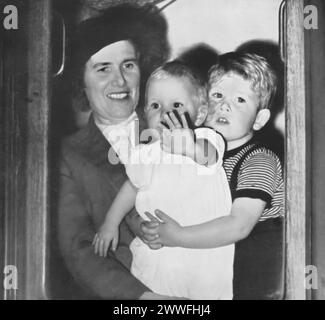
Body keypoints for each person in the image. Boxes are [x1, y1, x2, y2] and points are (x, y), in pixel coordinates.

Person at [136, 52, 285, 299]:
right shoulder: (194, 149)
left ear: (259, 119)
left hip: (253, 265)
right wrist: (151, 227)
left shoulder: (260, 160)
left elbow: (239, 225)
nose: (225, 105)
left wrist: (178, 236)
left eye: (240, 100)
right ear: (203, 104)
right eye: (217, 95)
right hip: (207, 262)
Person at [57, 3, 172, 299]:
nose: (119, 80)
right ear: (81, 82)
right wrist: (143, 298)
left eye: (128, 65)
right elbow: (79, 250)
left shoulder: (172, 125)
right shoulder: (69, 156)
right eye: (102, 68)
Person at [93, 61, 234, 300]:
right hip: (157, 258)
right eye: (155, 105)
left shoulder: (205, 139)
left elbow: (209, 156)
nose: (164, 113)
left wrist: (189, 147)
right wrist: (110, 222)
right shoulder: (145, 154)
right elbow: (132, 186)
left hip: (201, 260)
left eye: (177, 105)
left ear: (200, 114)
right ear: (145, 113)